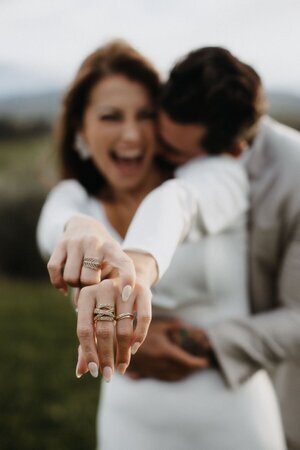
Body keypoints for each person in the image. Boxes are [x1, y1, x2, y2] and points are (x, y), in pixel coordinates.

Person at [37, 43, 287, 449]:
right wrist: (81, 229)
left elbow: (177, 204)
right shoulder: (74, 200)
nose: (132, 134)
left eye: (146, 115)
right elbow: (54, 228)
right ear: (81, 129)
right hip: (131, 424)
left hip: (237, 419)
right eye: (111, 116)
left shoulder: (214, 173)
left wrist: (134, 269)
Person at [123, 47, 300, 450]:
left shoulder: (297, 176)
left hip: (283, 392)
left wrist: (185, 342)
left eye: (176, 153)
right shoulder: (157, 146)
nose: (161, 157)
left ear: (232, 152)